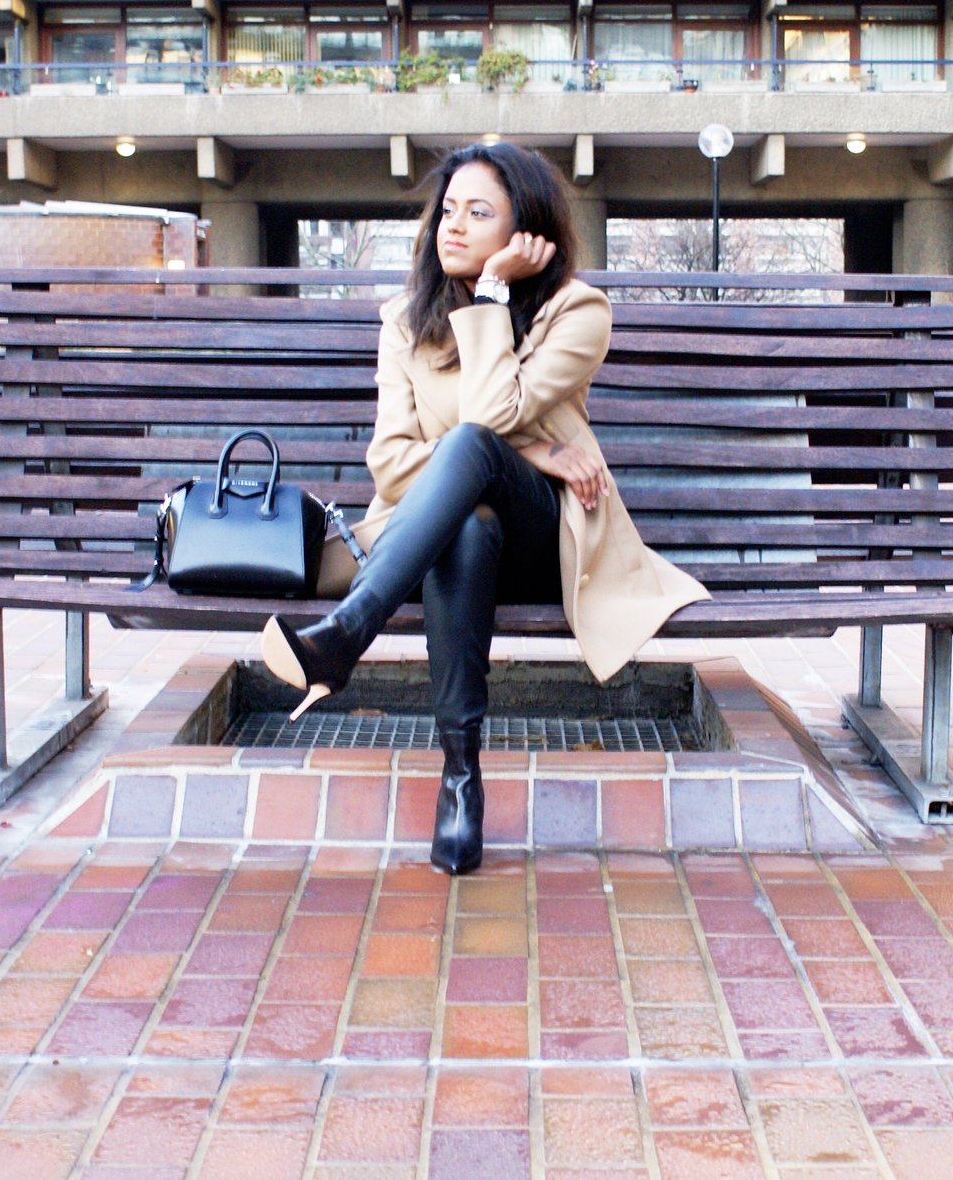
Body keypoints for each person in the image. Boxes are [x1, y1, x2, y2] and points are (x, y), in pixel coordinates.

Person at [260, 142, 708, 875]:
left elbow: (490, 412)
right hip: (452, 546)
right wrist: (531, 452)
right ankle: (460, 781)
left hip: (544, 547)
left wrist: (496, 294)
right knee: (468, 520)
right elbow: (388, 461)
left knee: (472, 451)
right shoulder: (405, 322)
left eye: (479, 212)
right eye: (447, 209)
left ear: (526, 228)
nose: (454, 225)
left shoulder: (577, 312)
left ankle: (347, 632)